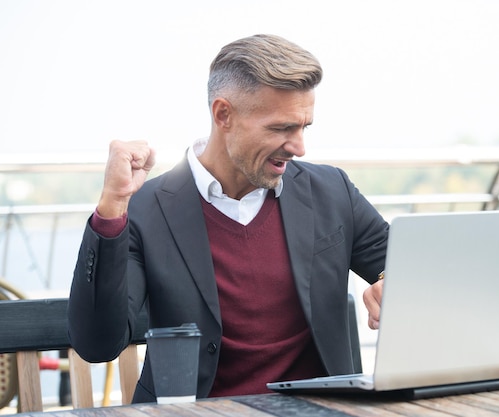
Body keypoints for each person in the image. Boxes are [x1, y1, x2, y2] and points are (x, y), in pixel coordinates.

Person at [68, 34, 387, 403]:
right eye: (281, 128)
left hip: (321, 411)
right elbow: (96, 343)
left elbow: (413, 272)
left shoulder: (332, 191)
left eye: (304, 127)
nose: (299, 147)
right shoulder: (144, 210)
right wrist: (111, 208)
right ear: (223, 115)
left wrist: (392, 284)